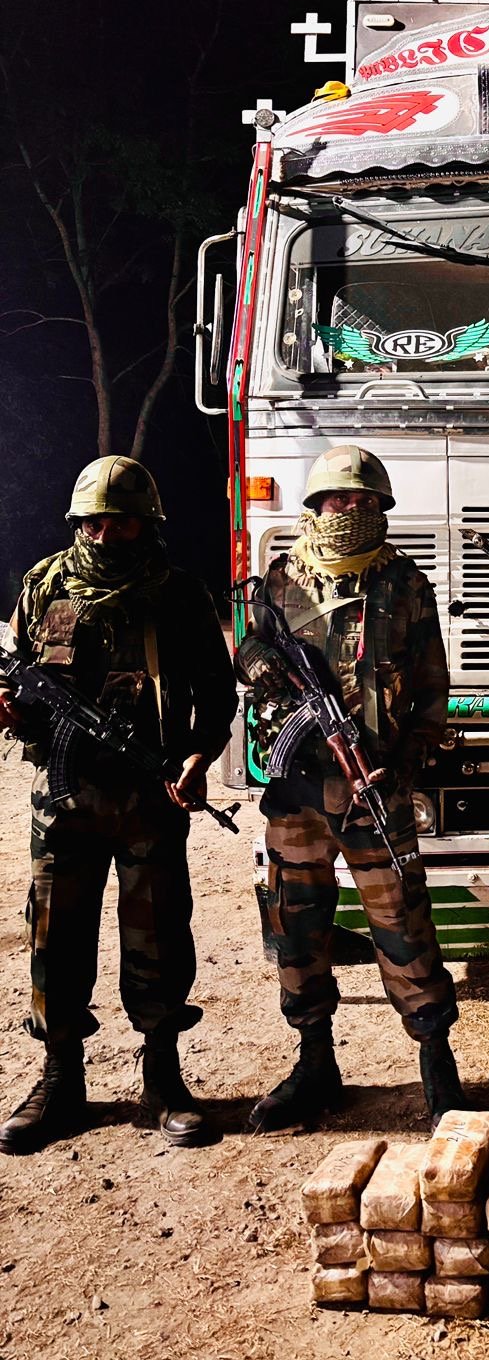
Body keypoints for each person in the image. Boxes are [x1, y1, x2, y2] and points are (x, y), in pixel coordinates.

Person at [0, 456, 236, 1154]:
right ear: (78, 523)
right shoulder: (44, 585)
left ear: (147, 525)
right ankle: (60, 1080)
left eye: (123, 523)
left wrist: (199, 755)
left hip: (150, 797)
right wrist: (10, 707)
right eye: (95, 522)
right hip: (64, 799)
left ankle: (163, 1078)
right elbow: (18, 676)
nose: (107, 535)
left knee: (158, 936)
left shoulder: (178, 594)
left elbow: (217, 693)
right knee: (54, 938)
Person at [235, 444, 464, 1131]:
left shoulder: (405, 583)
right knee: (297, 926)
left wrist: (409, 762)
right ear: (317, 505)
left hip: (375, 787)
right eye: (341, 499)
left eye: (367, 501)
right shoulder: (281, 579)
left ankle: (436, 1063)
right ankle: (315, 1063)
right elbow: (249, 647)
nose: (353, 509)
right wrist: (260, 666)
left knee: (403, 924)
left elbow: (432, 689)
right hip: (296, 794)